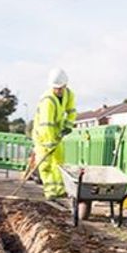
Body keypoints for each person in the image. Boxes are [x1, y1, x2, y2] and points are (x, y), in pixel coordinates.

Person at [32, 68, 76, 200]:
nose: (58, 90)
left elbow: (72, 111)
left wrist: (68, 125)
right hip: (42, 136)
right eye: (56, 88)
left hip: (56, 133)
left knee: (59, 162)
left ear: (65, 85)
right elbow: (46, 125)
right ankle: (50, 191)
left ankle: (60, 189)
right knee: (45, 164)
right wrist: (49, 144)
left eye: (60, 88)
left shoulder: (69, 94)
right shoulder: (48, 100)